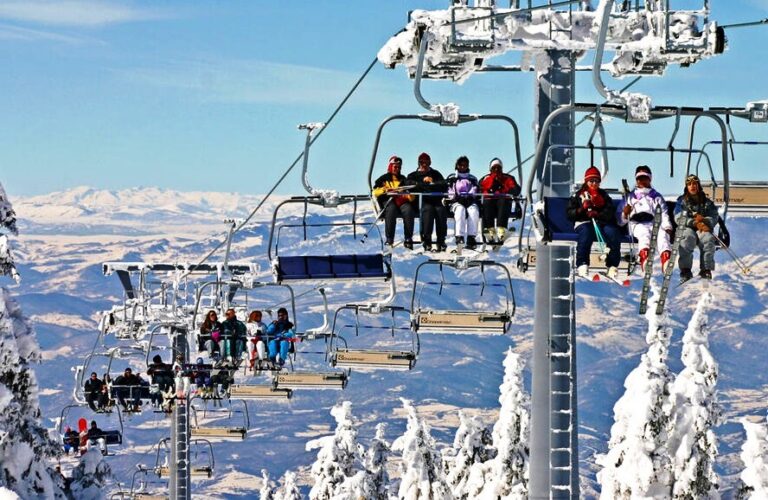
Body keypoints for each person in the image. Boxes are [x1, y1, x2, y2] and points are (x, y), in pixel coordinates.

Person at [566, 166, 622, 278]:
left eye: (596, 181)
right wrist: (581, 210)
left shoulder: (604, 196)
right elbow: (570, 213)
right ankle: (582, 263)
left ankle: (612, 265)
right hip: (584, 222)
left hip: (601, 222)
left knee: (613, 233)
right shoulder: (578, 195)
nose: (594, 183)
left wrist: (598, 214)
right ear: (586, 181)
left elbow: (609, 211)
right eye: (591, 181)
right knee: (586, 234)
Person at [617, 165, 673, 272]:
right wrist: (625, 214)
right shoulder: (630, 197)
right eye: (639, 178)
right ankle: (645, 257)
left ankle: (666, 259)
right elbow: (620, 221)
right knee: (644, 234)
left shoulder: (656, 197)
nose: (642, 181)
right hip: (636, 223)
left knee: (662, 234)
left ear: (649, 179)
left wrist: (667, 227)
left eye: (645, 178)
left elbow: (664, 213)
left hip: (653, 223)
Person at [674, 174, 719, 282]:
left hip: (702, 227)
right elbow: (678, 217)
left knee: (708, 239)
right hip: (687, 227)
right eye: (689, 184)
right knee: (687, 238)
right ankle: (685, 270)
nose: (692, 186)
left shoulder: (706, 202)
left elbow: (714, 216)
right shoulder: (682, 201)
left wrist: (705, 221)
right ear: (686, 187)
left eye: (694, 184)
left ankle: (706, 269)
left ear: (698, 185)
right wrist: (693, 222)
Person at [407, 152, 448, 252]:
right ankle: (427, 240)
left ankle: (441, 240)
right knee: (428, 211)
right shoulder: (413, 175)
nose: (424, 165)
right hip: (423, 201)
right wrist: (423, 183)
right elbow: (409, 184)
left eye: (427, 162)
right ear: (419, 163)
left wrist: (433, 183)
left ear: (430, 163)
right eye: (422, 162)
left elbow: (444, 184)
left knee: (441, 211)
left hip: (436, 201)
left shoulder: (435, 174)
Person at [372, 155, 416, 249]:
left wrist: (407, 195)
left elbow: (411, 196)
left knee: (408, 210)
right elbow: (375, 192)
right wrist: (385, 190)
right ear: (390, 166)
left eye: (399, 167)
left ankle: (408, 238)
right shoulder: (383, 179)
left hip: (400, 201)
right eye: (395, 167)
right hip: (388, 200)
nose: (397, 169)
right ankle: (389, 239)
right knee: (391, 210)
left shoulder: (403, 179)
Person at [479, 157, 522, 245]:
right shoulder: (486, 178)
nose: (496, 169)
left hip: (503, 204)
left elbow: (516, 189)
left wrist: (506, 190)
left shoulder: (508, 178)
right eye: (494, 168)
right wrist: (492, 183)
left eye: (498, 168)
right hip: (490, 205)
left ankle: (501, 229)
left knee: (503, 201)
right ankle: (490, 231)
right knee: (487, 202)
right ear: (490, 169)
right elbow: (480, 189)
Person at [446, 156, 481, 249]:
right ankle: (459, 236)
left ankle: (471, 237)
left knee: (473, 211)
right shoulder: (452, 178)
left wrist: (470, 196)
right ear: (457, 166)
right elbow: (450, 191)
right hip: (456, 201)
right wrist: (455, 197)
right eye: (460, 165)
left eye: (465, 165)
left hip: (469, 201)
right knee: (460, 210)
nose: (462, 167)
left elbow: (475, 189)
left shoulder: (472, 178)